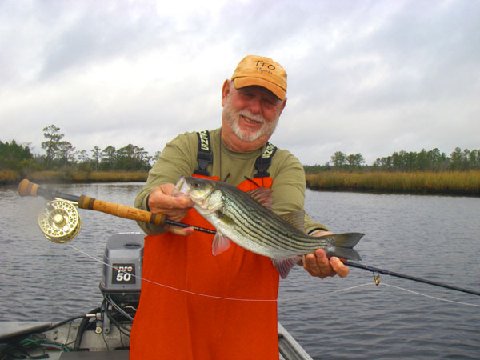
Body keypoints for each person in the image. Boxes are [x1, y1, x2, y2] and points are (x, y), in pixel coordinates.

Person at [130, 55, 350, 359]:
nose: (255, 109)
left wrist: (318, 238)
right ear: (225, 92)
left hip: (244, 337)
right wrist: (156, 202)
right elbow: (146, 202)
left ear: (281, 108)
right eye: (247, 94)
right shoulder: (186, 147)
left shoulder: (285, 165)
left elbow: (288, 218)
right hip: (168, 330)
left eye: (268, 101)